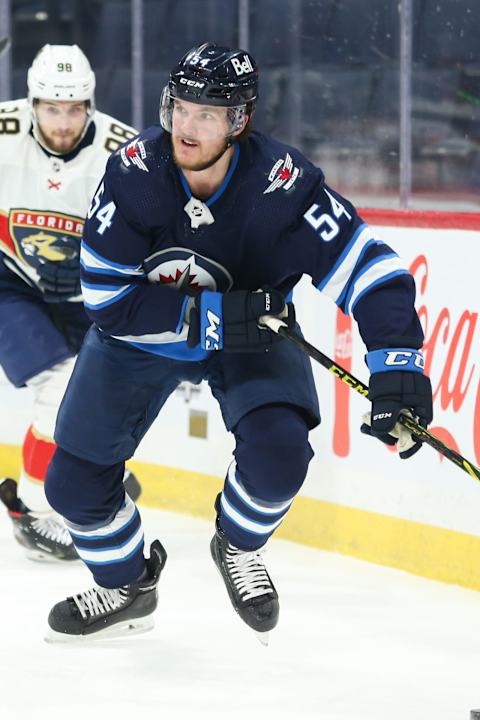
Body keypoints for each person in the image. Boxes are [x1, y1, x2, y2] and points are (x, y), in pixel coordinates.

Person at [44, 42, 433, 641]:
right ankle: (127, 584)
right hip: (150, 334)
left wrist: (400, 369)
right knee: (71, 486)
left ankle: (237, 542)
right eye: (181, 109)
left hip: (256, 331)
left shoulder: (285, 186)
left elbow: (372, 272)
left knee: (280, 461)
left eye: (207, 114)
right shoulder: (134, 174)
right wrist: (222, 318)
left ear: (239, 121)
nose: (186, 127)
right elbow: (108, 300)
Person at [0, 44, 141, 562]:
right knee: (59, 389)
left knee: (104, 399)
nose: (64, 121)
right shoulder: (2, 134)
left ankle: (88, 479)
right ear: (33, 102)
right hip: (10, 283)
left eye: (75, 108)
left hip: (90, 293)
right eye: (53, 108)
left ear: (90, 104)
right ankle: (36, 508)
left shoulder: (122, 152)